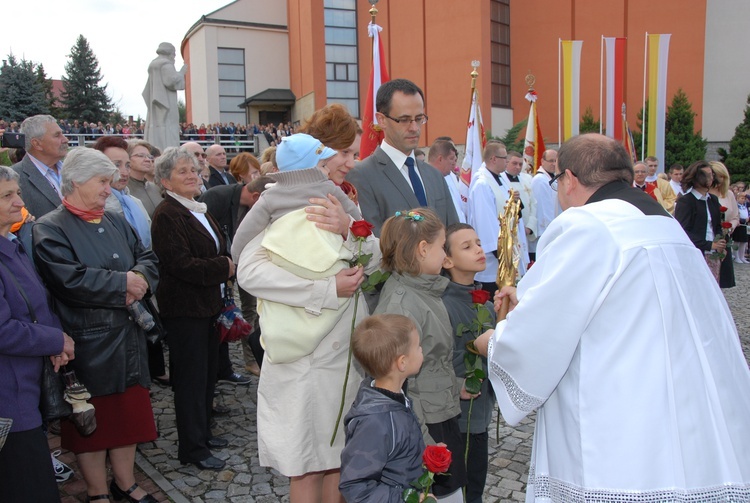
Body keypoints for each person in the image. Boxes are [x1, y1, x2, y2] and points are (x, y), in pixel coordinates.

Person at [474, 134, 750, 502]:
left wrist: (492, 340)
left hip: (624, 423)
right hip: (692, 411)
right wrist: (525, 296)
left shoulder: (588, 224)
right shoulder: (664, 224)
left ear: (569, 179)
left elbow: (539, 337)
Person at [235, 146, 379, 502]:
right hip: (302, 357)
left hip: (344, 351)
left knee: (338, 458)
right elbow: (249, 271)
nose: (349, 162)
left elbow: (375, 261)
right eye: (342, 154)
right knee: (306, 463)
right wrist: (325, 290)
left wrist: (349, 230)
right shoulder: (275, 206)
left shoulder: (339, 201)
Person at [33, 147, 160, 503]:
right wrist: (123, 284)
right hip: (89, 344)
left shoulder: (115, 219)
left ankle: (126, 483)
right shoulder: (50, 227)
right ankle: (97, 491)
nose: (109, 188)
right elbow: (67, 280)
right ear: (75, 182)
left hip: (128, 337)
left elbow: (147, 257)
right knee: (91, 423)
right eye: (102, 181)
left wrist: (139, 276)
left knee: (127, 420)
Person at [150, 147, 235, 471]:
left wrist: (223, 265)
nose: (191, 174)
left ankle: (204, 433)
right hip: (185, 309)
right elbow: (180, 264)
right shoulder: (168, 213)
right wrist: (224, 267)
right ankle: (192, 448)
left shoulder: (196, 207)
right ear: (165, 181)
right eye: (182, 171)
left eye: (193, 169)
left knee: (205, 376)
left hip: (207, 306)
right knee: (189, 379)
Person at [374, 208, 466, 502]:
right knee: (445, 495)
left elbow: (432, 361)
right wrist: (426, 443)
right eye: (442, 247)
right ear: (423, 249)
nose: (445, 255)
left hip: (438, 410)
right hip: (426, 423)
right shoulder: (402, 306)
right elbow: (394, 387)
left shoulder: (425, 291)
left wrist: (455, 385)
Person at [0, 165, 75, 502]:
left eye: (17, 192)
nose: (19, 202)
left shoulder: (11, 244)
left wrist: (54, 336)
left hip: (26, 386)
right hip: (8, 398)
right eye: (7, 196)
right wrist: (55, 340)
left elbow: (38, 303)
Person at [346, 79, 459, 236]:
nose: (414, 128)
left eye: (419, 119)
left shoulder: (434, 176)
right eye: (404, 120)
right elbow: (370, 243)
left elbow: (453, 233)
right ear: (381, 120)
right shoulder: (362, 175)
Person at [339, 314, 426, 501]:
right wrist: (405, 499)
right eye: (418, 346)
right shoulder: (375, 422)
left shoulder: (394, 397)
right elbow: (355, 487)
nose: (421, 350)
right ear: (402, 362)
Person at [440, 223, 496, 503]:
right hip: (455, 420)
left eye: (477, 242)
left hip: (479, 416)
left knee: (475, 488)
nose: (478, 249)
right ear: (446, 260)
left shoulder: (484, 305)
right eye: (467, 246)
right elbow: (434, 362)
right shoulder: (442, 304)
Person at [198, 175, 274, 378]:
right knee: (224, 315)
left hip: (245, 264)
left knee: (251, 311)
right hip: (220, 267)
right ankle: (226, 367)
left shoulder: (250, 205)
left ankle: (251, 360)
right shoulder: (216, 197)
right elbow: (203, 234)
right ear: (257, 195)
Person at [466, 141, 523, 293]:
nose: (507, 161)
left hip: (509, 250)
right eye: (505, 158)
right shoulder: (482, 184)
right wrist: (503, 257)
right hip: (495, 261)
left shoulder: (501, 179)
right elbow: (485, 223)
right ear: (493, 159)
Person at [674, 161, 725, 283]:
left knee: (714, 289)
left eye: (711, 174)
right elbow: (682, 231)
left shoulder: (713, 199)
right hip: (695, 254)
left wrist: (721, 242)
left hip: (713, 254)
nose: (711, 177)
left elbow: (717, 225)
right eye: (707, 175)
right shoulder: (687, 201)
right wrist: (708, 244)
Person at [12, 114, 68, 218]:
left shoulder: (73, 169)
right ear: (37, 144)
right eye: (57, 135)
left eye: (62, 134)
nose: (65, 140)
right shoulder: (14, 178)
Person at [143, 42, 187, 151]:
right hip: (166, 102)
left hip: (157, 102)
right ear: (170, 53)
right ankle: (169, 151)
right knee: (169, 129)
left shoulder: (153, 65)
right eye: (174, 54)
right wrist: (182, 72)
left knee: (157, 128)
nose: (174, 57)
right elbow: (171, 82)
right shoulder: (166, 64)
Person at [709, 161, 739, 288]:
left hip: (724, 237)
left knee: (722, 278)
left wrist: (730, 226)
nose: (720, 180)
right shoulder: (706, 193)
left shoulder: (729, 194)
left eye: (722, 176)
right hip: (709, 237)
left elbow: (735, 216)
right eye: (717, 176)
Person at [428, 139, 466, 223]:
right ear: (440, 159)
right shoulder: (427, 181)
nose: (454, 162)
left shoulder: (449, 177)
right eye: (451, 158)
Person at [127, 140, 162, 217]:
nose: (148, 160)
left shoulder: (155, 188)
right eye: (140, 155)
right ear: (127, 159)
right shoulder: (124, 190)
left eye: (149, 157)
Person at [734, 191, 749, 263]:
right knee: (737, 241)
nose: (743, 200)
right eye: (741, 198)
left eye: (744, 198)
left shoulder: (745, 206)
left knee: (744, 242)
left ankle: (742, 256)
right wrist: (742, 220)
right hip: (739, 224)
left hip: (745, 225)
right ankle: (736, 256)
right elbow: (735, 215)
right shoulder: (736, 205)